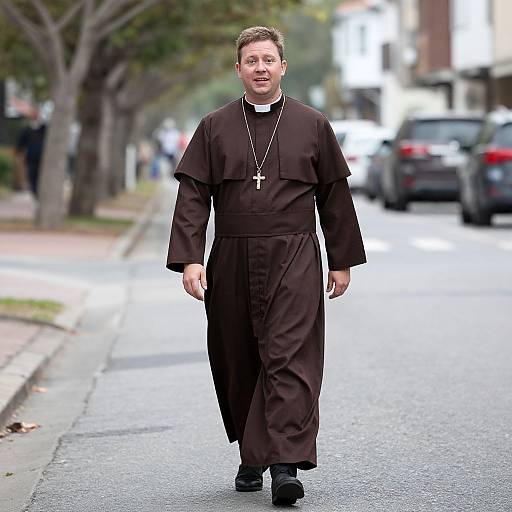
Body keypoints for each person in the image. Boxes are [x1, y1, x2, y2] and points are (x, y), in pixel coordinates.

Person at [166, 26, 366, 506]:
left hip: (294, 254)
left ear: (283, 67)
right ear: (238, 69)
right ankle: (252, 454)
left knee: (289, 356)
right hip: (232, 253)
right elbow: (193, 196)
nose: (260, 68)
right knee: (239, 356)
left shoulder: (312, 123)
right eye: (251, 60)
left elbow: (334, 197)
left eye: (268, 60)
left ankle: (284, 466)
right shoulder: (214, 126)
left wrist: (341, 260)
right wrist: (191, 257)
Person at [15, 109, 46, 198]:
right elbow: (21, 143)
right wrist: (18, 153)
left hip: (42, 158)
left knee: (41, 176)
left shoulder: (44, 128)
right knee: (32, 176)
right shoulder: (27, 130)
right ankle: (35, 193)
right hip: (31, 158)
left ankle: (40, 193)